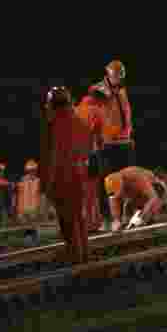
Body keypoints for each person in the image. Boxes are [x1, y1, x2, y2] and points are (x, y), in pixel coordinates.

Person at [41, 86, 93, 264]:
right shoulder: (79, 121)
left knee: (67, 219)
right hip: (79, 174)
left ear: (54, 104)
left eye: (48, 104)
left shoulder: (57, 124)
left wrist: (49, 184)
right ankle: (84, 254)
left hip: (63, 176)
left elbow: (55, 155)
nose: (46, 108)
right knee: (79, 216)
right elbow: (88, 148)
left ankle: (74, 255)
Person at [94, 60, 135, 229]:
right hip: (107, 144)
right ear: (109, 74)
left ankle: (122, 215)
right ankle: (106, 218)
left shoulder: (122, 92)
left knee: (124, 181)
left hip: (124, 142)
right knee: (107, 182)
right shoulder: (99, 90)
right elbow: (94, 113)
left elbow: (125, 115)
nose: (119, 79)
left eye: (121, 76)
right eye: (116, 75)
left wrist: (130, 135)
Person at [75, 85, 107, 231]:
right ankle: (92, 223)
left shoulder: (76, 109)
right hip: (90, 154)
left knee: (80, 191)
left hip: (75, 156)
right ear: (98, 97)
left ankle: (81, 223)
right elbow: (99, 137)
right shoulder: (96, 111)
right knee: (92, 191)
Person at [103, 166, 167, 231]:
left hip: (156, 189)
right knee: (127, 211)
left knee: (146, 217)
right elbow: (113, 200)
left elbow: (153, 197)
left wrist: (141, 216)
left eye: (119, 192)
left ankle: (149, 217)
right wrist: (116, 220)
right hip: (138, 195)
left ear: (122, 182)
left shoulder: (136, 176)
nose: (118, 196)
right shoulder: (111, 185)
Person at [14, 159, 42, 223]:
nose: (32, 172)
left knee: (32, 223)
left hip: (33, 208)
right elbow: (19, 195)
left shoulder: (38, 181)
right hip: (24, 208)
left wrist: (38, 207)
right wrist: (19, 210)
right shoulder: (22, 180)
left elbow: (38, 194)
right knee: (24, 224)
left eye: (34, 170)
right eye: (31, 170)